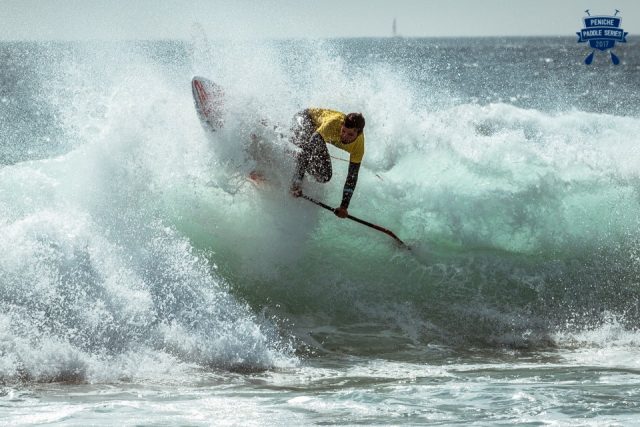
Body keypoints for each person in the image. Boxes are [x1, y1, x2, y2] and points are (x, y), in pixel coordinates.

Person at [290, 108, 365, 218]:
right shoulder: (333, 124)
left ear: (358, 134)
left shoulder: (359, 146)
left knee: (324, 176)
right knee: (305, 149)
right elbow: (308, 151)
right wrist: (297, 182)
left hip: (315, 135)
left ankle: (292, 163)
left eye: (350, 135)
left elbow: (352, 177)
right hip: (304, 119)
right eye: (343, 131)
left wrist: (344, 206)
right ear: (342, 125)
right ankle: (277, 140)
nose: (344, 136)